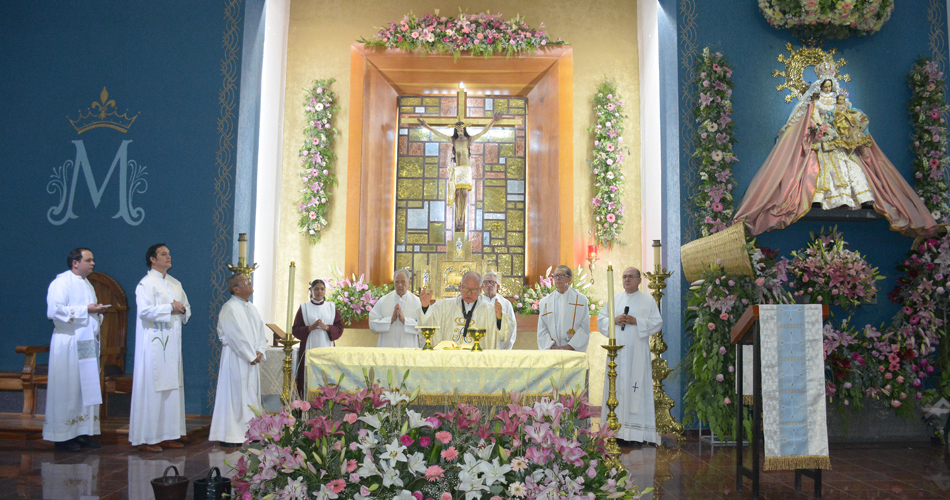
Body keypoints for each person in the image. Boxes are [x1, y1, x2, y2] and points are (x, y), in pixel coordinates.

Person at [734, 63, 938, 237]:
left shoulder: (841, 102)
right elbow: (811, 118)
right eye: (825, 85)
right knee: (819, 170)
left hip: (839, 141)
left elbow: (847, 116)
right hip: (822, 141)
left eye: (831, 85)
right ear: (820, 86)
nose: (828, 88)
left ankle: (860, 199)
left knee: (852, 169)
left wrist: (847, 128)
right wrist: (819, 128)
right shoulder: (815, 102)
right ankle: (818, 200)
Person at [43, 248, 108, 452]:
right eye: (88, 260)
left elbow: (90, 310)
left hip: (86, 341)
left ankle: (81, 432)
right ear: (75, 263)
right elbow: (54, 310)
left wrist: (97, 312)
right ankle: (62, 437)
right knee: (67, 389)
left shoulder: (87, 284)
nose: (93, 263)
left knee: (84, 389)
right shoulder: (61, 283)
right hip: (69, 342)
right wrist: (86, 310)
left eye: (93, 260)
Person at [129, 243, 191, 452]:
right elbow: (145, 312)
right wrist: (170, 308)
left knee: (172, 390)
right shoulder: (145, 284)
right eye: (163, 254)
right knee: (153, 389)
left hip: (172, 344)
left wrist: (180, 310)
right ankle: (148, 438)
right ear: (152, 259)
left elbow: (186, 309)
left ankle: (168, 435)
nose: (168, 257)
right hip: (154, 346)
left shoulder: (175, 283)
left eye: (169, 254)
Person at [597, 267, 663, 444]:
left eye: (631, 277)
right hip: (617, 355)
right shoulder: (615, 299)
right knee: (616, 388)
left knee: (636, 389)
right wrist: (614, 320)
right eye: (624, 276)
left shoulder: (648, 301)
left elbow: (657, 324)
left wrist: (636, 321)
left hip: (637, 354)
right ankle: (615, 431)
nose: (627, 280)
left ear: (639, 280)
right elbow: (600, 320)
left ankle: (636, 435)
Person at [209, 273, 269, 447]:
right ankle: (230, 435)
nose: (250, 282)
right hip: (236, 358)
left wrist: (259, 350)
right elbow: (233, 334)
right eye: (245, 281)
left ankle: (251, 432)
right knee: (234, 395)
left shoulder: (252, 308)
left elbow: (260, 332)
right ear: (235, 288)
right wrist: (249, 355)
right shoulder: (229, 308)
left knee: (250, 394)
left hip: (251, 359)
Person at [418, 115, 499, 232]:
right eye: (458, 131)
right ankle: (457, 219)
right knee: (457, 194)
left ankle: (461, 217)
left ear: (464, 130)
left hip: (465, 170)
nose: (460, 133)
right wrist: (426, 126)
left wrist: (493, 121)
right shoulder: (454, 141)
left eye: (461, 130)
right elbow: (439, 134)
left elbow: (483, 132)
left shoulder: (469, 140)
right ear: (456, 131)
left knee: (465, 194)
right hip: (457, 169)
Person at [419, 271, 509, 349]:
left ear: (480, 289)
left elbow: (504, 335)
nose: (469, 293)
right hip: (450, 360)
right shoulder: (443, 307)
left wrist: (499, 319)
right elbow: (428, 324)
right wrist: (425, 307)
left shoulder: (490, 310)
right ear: (460, 286)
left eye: (474, 290)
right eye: (466, 288)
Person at [291, 279, 343, 398]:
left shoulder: (331, 307)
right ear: (311, 290)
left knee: (327, 376)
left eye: (322, 289)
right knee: (308, 378)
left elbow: (339, 327)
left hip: (327, 347)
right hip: (309, 348)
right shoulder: (304, 308)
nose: (319, 291)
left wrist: (327, 328)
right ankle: (305, 406)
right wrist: (310, 328)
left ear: (325, 291)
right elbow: (296, 329)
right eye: (316, 289)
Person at [537, 265, 590, 352]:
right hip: (552, 352)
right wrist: (550, 346)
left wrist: (571, 346)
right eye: (555, 276)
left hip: (572, 351)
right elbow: (542, 329)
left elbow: (584, 327)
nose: (557, 278)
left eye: (561, 275)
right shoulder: (545, 302)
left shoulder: (580, 300)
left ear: (569, 279)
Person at [368, 269, 423, 348]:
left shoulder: (417, 302)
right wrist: (390, 320)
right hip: (387, 347)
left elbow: (423, 326)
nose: (400, 285)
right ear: (394, 282)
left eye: (403, 282)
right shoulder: (383, 301)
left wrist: (405, 320)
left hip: (409, 348)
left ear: (409, 283)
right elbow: (372, 323)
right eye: (397, 282)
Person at [481, 271, 517, 349]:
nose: (489, 285)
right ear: (482, 286)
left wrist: (500, 318)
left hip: (498, 345)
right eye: (486, 282)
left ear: (498, 286)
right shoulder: (477, 302)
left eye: (492, 282)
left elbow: (511, 325)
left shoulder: (505, 303)